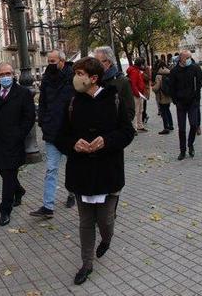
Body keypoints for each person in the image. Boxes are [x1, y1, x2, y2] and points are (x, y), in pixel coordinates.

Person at [54, 57, 134, 286]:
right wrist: (73, 145)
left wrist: (106, 141)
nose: (75, 77)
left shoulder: (113, 99)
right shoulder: (72, 102)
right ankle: (86, 263)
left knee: (106, 220)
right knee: (85, 221)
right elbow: (60, 136)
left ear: (94, 78)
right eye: (75, 73)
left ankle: (107, 240)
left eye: (80, 74)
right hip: (82, 172)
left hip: (108, 171)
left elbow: (127, 133)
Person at [0, 63, 35, 226]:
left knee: (9, 174)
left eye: (8, 73)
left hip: (13, 142)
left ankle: (5, 210)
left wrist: (19, 135)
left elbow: (29, 117)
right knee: (5, 172)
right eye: (2, 74)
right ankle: (18, 191)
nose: (5, 77)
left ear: (14, 74)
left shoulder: (23, 93)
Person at [30, 50, 76, 219]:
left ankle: (73, 194)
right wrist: (43, 121)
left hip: (70, 132)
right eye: (48, 60)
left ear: (62, 61)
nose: (50, 63)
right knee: (51, 170)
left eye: (53, 60)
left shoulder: (73, 77)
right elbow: (42, 102)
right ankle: (48, 206)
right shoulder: (47, 78)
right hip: (51, 132)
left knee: (72, 167)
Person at [168, 50, 202, 161]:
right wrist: (175, 100)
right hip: (181, 103)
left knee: (194, 124)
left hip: (193, 102)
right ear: (181, 59)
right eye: (187, 57)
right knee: (182, 128)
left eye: (190, 57)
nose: (189, 59)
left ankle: (190, 144)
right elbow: (171, 87)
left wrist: (196, 92)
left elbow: (201, 80)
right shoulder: (174, 71)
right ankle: (182, 150)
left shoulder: (195, 68)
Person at [93, 47, 135, 125]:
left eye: (101, 61)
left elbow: (130, 111)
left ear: (109, 62)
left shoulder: (123, 81)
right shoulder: (92, 81)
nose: (97, 65)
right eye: (95, 61)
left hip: (114, 132)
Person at [152, 60, 174, 135]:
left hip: (161, 96)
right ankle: (171, 125)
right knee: (168, 110)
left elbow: (157, 87)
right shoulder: (169, 73)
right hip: (168, 95)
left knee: (163, 112)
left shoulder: (159, 75)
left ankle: (166, 127)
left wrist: (153, 88)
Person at [126, 58, 147, 133]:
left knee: (140, 110)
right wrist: (137, 93)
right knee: (135, 111)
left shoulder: (136, 70)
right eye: (142, 64)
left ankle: (139, 125)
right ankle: (134, 128)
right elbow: (133, 84)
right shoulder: (134, 71)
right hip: (136, 94)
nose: (143, 65)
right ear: (140, 64)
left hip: (139, 94)